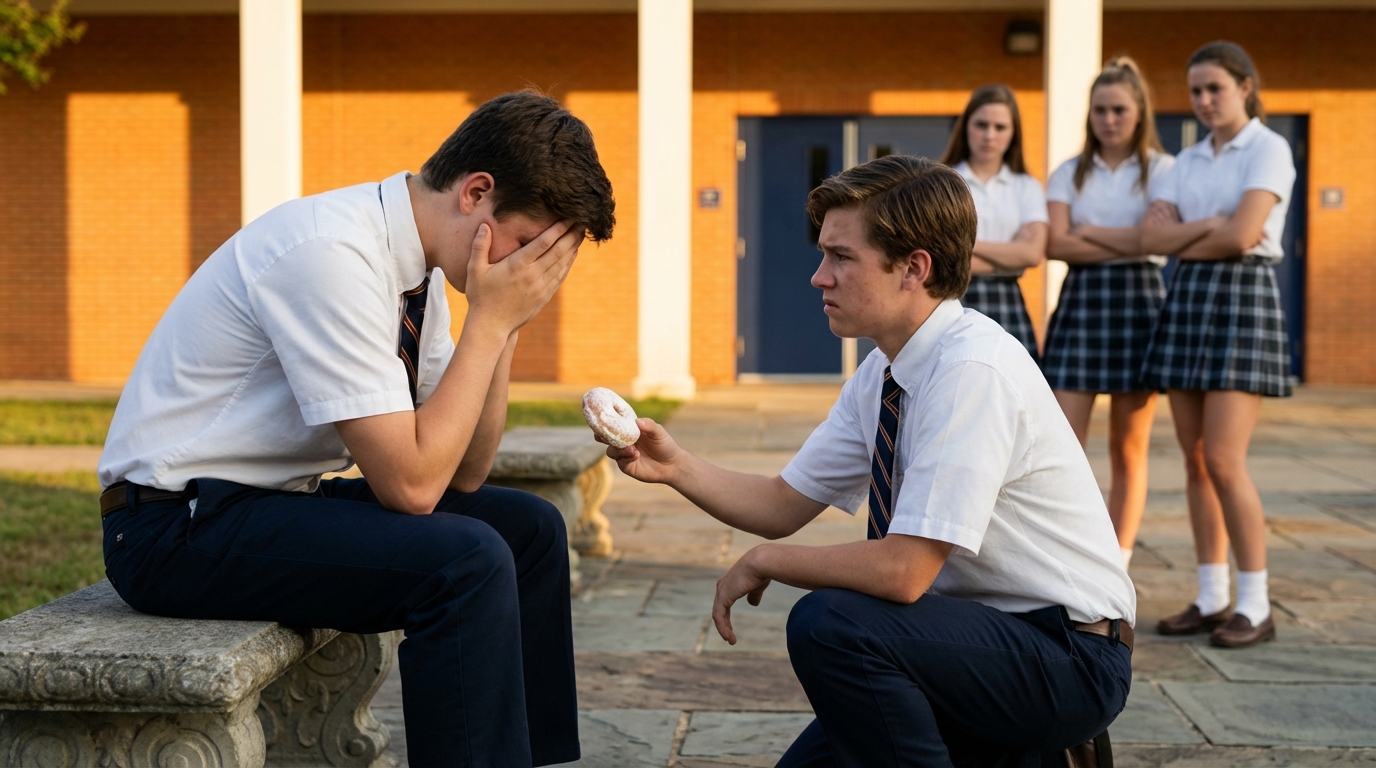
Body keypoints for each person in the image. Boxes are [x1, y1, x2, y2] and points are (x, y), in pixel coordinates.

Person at [96, 91, 616, 766]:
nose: (529, 273)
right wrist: (489, 320)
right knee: (466, 561)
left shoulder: (419, 273)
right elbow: (412, 486)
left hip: (262, 506)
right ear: (477, 193)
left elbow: (465, 469)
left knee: (527, 530)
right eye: (527, 247)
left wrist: (506, 325)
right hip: (171, 528)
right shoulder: (331, 253)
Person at [605, 155, 1135, 767]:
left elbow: (904, 571)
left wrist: (766, 561)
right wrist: (675, 465)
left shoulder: (971, 372)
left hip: (1066, 658)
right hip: (965, 641)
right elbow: (782, 503)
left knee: (831, 624)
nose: (818, 277)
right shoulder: (886, 369)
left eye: (841, 256)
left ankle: (1034, 744)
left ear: (914, 268)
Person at [1141, 41, 1296, 648]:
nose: (1204, 101)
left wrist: (1194, 233)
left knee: (1226, 460)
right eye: (1197, 91)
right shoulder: (1186, 161)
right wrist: (1208, 228)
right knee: (1196, 460)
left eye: (1216, 89)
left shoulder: (1270, 148)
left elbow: (1243, 235)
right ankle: (1212, 597)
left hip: (1242, 296)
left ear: (1246, 87)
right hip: (1187, 297)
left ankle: (1255, 605)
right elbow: (1154, 237)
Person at [1043, 57, 1175, 570]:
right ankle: (1066, 552)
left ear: (1139, 112)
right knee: (1064, 446)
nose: (1109, 119)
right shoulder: (1066, 172)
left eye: (1119, 109)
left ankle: (1116, 561)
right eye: (1100, 109)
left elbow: (1155, 240)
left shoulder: (1165, 170)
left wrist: (1088, 234)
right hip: (1082, 302)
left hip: (1140, 302)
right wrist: (1130, 238)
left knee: (1129, 447)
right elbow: (1056, 243)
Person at [939, 84, 1048, 360]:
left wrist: (965, 245)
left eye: (1000, 127)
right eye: (981, 125)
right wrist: (1009, 257)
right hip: (950, 297)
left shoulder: (1027, 187)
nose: (989, 135)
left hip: (1007, 300)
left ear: (1014, 133)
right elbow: (938, 257)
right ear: (966, 127)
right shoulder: (941, 182)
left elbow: (1032, 254)